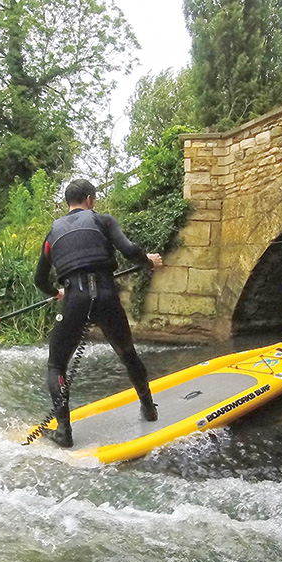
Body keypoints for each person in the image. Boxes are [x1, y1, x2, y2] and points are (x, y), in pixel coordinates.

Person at [34, 178, 163, 447]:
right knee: (127, 353)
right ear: (90, 200)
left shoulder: (52, 234)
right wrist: (148, 262)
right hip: (106, 297)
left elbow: (40, 280)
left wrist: (56, 292)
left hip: (74, 300)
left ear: (68, 203)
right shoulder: (103, 221)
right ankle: (149, 409)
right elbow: (130, 250)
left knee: (57, 365)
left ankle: (64, 431)